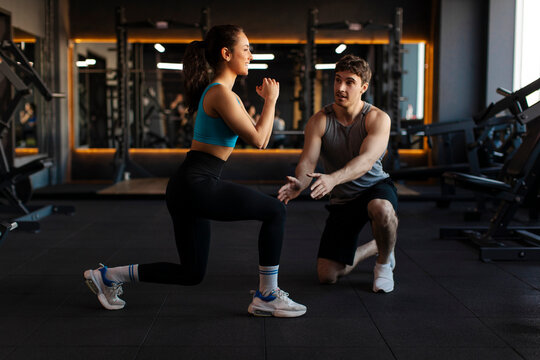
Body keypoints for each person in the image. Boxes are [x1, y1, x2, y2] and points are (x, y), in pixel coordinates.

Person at [83, 24, 306, 317]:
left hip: (189, 185)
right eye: (246, 49)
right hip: (196, 183)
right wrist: (272, 100)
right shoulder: (220, 94)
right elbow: (260, 140)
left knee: (191, 273)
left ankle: (109, 276)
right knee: (275, 211)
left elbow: (257, 134)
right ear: (226, 54)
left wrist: (267, 104)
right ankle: (267, 295)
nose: (251, 55)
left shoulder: (223, 94)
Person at [277, 54, 398, 293]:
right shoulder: (319, 120)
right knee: (327, 276)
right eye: (337, 80)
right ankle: (376, 246)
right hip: (343, 198)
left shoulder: (377, 118)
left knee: (382, 209)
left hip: (375, 188)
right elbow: (308, 162)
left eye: (349, 82)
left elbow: (365, 161)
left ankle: (384, 264)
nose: (340, 88)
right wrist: (299, 184)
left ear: (363, 87)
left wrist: (332, 178)